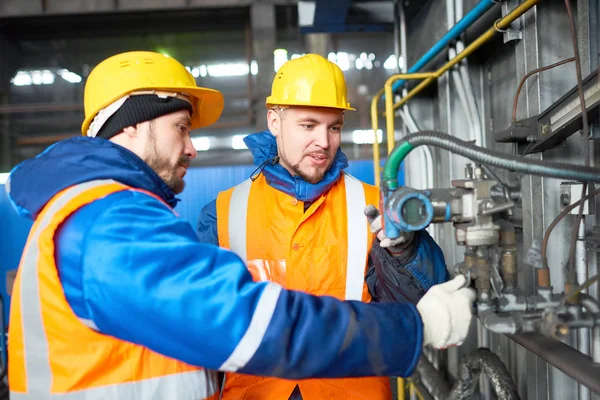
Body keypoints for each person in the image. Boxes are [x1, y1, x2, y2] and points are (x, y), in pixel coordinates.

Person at [7, 51, 475, 400]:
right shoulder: (114, 221)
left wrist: (403, 250)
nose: (191, 149)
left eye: (333, 128)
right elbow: (236, 319)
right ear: (130, 124)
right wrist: (412, 328)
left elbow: (424, 289)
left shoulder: (370, 204)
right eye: (182, 128)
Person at [196, 53, 453, 400]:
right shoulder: (223, 214)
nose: (323, 141)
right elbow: (201, 329)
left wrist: (405, 248)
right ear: (274, 121)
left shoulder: (376, 208)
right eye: (308, 125)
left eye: (334, 127)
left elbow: (422, 306)